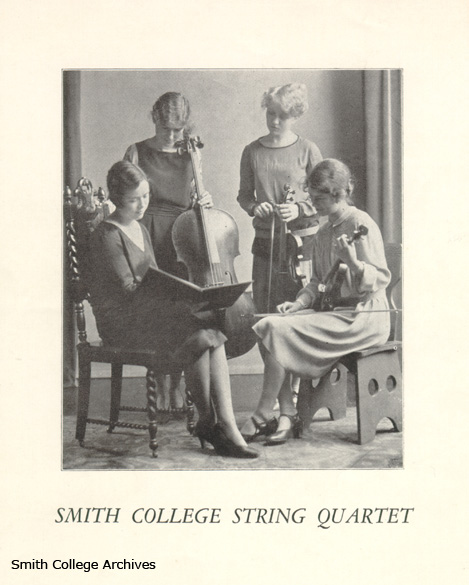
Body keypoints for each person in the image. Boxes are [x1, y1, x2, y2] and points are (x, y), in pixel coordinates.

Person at [89, 161, 258, 459]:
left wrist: (180, 294)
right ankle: (212, 423)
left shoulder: (140, 228)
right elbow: (129, 291)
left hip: (146, 314)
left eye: (146, 196)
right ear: (117, 198)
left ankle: (224, 424)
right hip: (122, 323)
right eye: (133, 199)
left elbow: (153, 279)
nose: (142, 205)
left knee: (209, 332)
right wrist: (174, 299)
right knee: (199, 328)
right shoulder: (107, 235)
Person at [240, 159, 391, 445]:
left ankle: (263, 415)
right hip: (338, 311)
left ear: (338, 194)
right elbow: (317, 282)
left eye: (318, 199)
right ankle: (286, 413)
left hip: (363, 317)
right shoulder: (323, 231)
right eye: (311, 198)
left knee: (274, 329)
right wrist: (298, 304)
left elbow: (380, 278)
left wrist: (353, 262)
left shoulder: (360, 223)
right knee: (268, 324)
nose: (313, 205)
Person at [124, 92, 212, 410]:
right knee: (154, 311)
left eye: (178, 129)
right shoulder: (136, 151)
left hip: (180, 239)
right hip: (146, 234)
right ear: (154, 120)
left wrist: (204, 199)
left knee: (182, 312)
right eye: (166, 129)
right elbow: (124, 197)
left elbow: (195, 195)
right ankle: (160, 387)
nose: (173, 136)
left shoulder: (192, 153)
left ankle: (177, 385)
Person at [237, 82, 323, 315]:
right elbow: (244, 196)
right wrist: (255, 207)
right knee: (265, 303)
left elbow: (324, 196)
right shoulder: (252, 151)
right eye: (270, 113)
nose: (274, 121)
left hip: (302, 240)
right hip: (267, 239)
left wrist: (299, 209)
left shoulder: (308, 149)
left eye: (282, 116)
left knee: (304, 302)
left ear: (295, 116)